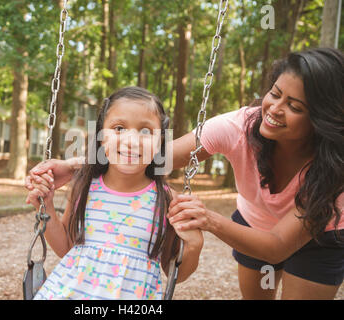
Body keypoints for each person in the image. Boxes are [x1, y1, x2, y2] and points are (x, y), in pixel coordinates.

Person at [26, 48, 344, 299]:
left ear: (321, 118)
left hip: (319, 233)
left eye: (295, 106)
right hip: (254, 221)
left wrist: (200, 233)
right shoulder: (237, 127)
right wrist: (72, 165)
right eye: (274, 94)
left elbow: (276, 246)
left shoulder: (336, 166)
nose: (274, 109)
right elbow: (157, 156)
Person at [28, 86, 203, 300]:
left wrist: (193, 245)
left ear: (161, 143)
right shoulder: (85, 186)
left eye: (146, 131)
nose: (131, 141)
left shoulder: (166, 200)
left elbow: (175, 272)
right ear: (102, 136)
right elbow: (67, 247)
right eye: (119, 128)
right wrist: (45, 207)